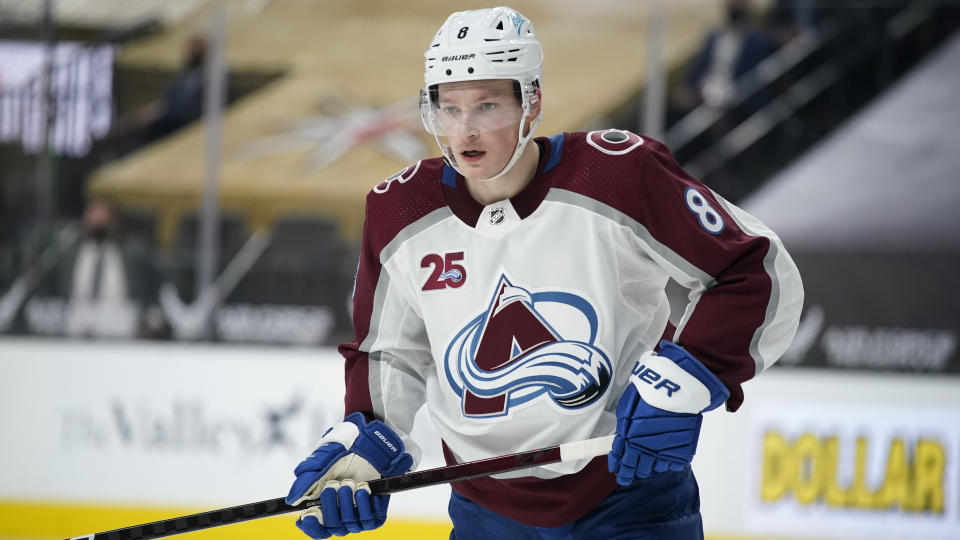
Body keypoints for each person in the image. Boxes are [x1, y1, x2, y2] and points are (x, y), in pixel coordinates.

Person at [285, 7, 803, 539]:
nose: (465, 129)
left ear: (530, 102)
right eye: (449, 107)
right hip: (485, 512)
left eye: (487, 105)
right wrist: (365, 442)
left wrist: (689, 375)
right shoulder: (399, 211)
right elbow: (388, 351)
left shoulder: (618, 175)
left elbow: (753, 268)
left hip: (628, 493)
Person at [55, 198, 166, 339]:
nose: (98, 219)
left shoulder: (135, 253)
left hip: (122, 327)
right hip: (74, 326)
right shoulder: (68, 254)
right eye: (93, 214)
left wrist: (151, 319)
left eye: (103, 215)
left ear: (115, 220)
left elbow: (158, 288)